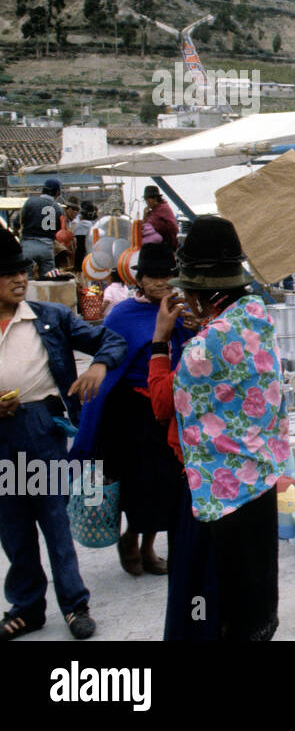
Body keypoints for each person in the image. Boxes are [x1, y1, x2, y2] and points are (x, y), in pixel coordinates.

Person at [146, 216, 289, 640]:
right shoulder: (255, 314)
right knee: (255, 588)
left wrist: (159, 339)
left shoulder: (202, 346)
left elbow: (160, 404)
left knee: (210, 600)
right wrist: (205, 325)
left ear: (202, 289)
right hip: (258, 481)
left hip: (215, 492)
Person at [0, 226, 127, 640]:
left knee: (55, 521)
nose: (21, 279)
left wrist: (98, 366)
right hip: (1, 438)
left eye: (22, 272)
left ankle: (74, 605)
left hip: (41, 431)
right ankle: (26, 607)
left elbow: (111, 339)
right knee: (13, 527)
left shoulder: (48, 318)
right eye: (8, 274)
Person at [70, 243, 193, 578]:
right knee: (135, 481)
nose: (161, 283)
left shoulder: (180, 310)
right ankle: (131, 539)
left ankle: (149, 545)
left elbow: (188, 350)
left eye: (167, 276)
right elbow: (108, 357)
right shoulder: (123, 315)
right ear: (140, 280)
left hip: (165, 405)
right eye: (153, 276)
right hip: (130, 410)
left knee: (163, 481)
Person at [19, 178, 62, 277]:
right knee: (48, 278)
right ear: (57, 192)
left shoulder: (30, 202)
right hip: (47, 246)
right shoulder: (57, 208)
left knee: (26, 278)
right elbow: (59, 231)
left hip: (28, 244)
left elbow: (20, 221)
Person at [141, 185, 180, 249]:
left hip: (165, 246)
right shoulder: (154, 211)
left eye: (148, 199)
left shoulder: (162, 209)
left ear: (155, 198)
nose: (147, 202)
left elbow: (172, 228)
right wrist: (145, 216)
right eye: (146, 200)